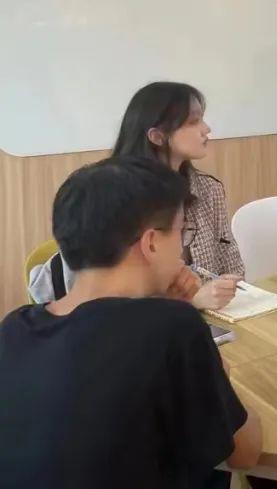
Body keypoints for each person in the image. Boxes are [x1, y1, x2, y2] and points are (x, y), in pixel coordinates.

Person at [0, 156, 262, 488]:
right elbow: (245, 454)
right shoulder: (174, 328)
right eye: (181, 232)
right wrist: (216, 366)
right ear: (151, 242)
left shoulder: (15, 328)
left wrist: (168, 308)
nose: (182, 250)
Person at [28, 82, 243, 310]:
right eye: (193, 121)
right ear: (157, 136)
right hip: (134, 323)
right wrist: (190, 303)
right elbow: (102, 299)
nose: (206, 129)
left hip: (213, 317)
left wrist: (227, 288)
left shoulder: (209, 189)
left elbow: (231, 263)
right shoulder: (110, 196)